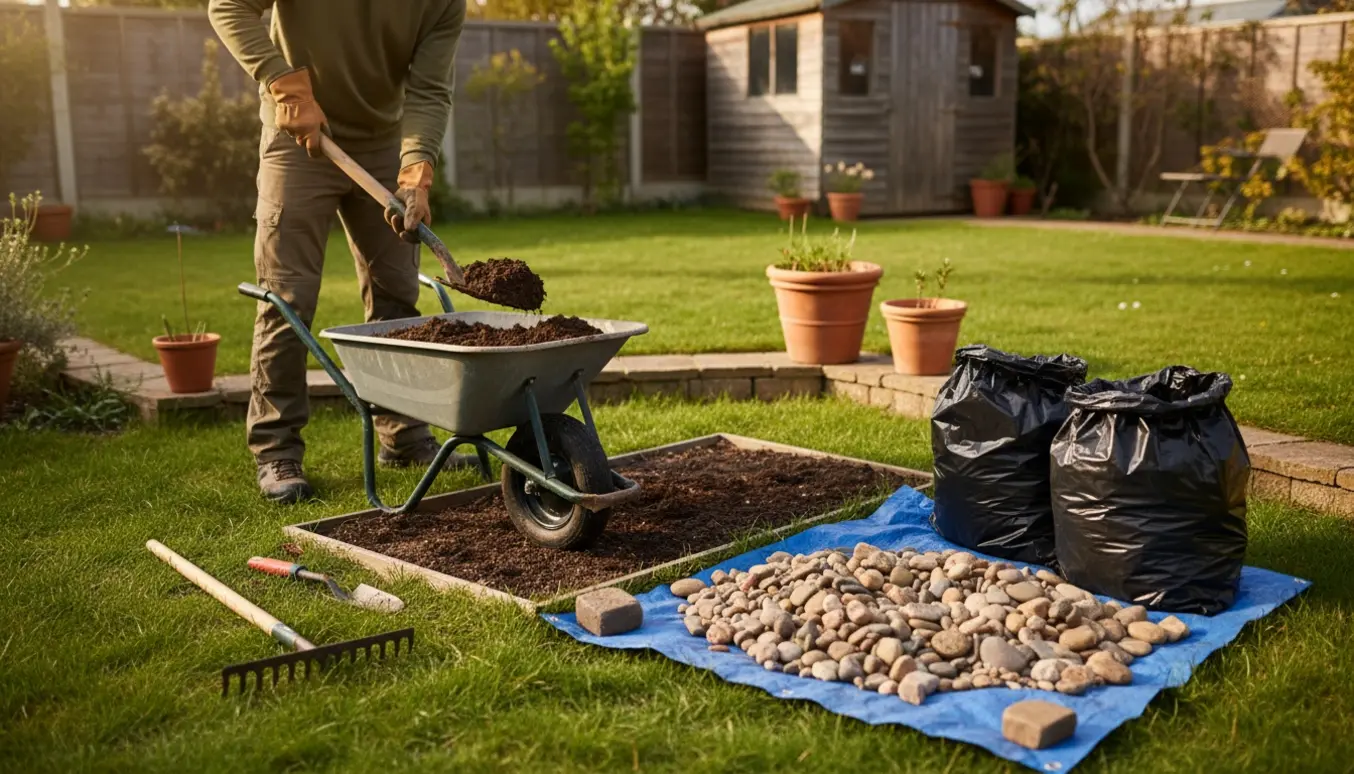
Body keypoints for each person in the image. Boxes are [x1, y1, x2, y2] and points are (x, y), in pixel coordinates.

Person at [209, 0, 469, 503]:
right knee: (289, 297)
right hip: (298, 140)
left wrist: (416, 170)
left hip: (382, 143)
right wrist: (282, 83)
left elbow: (430, 88)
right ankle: (277, 448)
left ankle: (404, 432)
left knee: (397, 294)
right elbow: (229, 6)